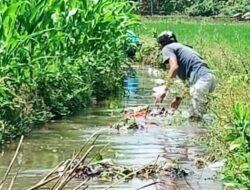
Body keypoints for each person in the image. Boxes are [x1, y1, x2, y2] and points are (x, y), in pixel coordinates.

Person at [156, 30, 216, 120]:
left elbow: (174, 67)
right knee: (197, 114)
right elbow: (188, 83)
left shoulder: (167, 48)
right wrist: (177, 100)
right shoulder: (182, 48)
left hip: (201, 80)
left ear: (162, 43)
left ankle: (196, 133)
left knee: (196, 117)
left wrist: (164, 90)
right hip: (210, 79)